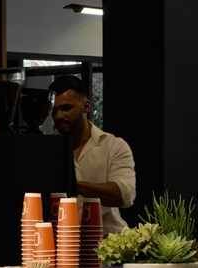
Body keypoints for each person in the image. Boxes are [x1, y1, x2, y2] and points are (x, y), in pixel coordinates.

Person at [50, 76, 136, 235]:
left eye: (66, 108)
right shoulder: (47, 149)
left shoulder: (114, 146)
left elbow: (124, 195)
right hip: (62, 242)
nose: (59, 116)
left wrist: (72, 184)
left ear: (86, 106)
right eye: (54, 111)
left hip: (109, 241)